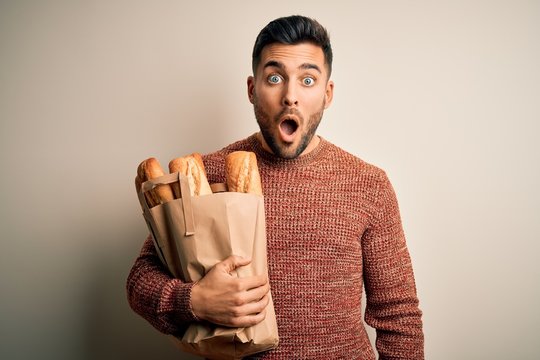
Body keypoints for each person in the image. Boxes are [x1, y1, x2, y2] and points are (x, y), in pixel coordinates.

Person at [127, 15, 424, 359]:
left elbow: (399, 317)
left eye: (308, 79)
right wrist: (193, 300)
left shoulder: (368, 185)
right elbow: (139, 281)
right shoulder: (205, 174)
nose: (290, 96)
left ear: (327, 94)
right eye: (275, 77)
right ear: (253, 89)